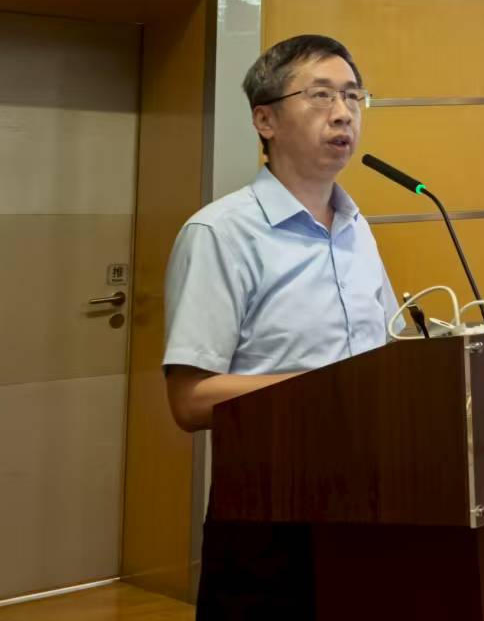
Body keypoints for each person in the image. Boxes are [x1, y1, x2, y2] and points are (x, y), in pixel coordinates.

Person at [162, 33, 399, 615]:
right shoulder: (221, 234)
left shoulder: (357, 228)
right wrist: (330, 387)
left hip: (377, 495)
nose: (343, 113)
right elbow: (190, 400)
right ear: (264, 120)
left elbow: (389, 352)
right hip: (271, 509)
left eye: (352, 95)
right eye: (320, 95)